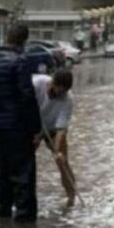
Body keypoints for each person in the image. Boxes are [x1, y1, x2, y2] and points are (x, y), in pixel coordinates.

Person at [0, 23, 42, 222]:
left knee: (1, 170)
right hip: (17, 128)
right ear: (24, 40)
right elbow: (27, 98)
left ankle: (1, 212)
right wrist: (36, 129)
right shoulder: (21, 61)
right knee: (23, 172)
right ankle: (24, 219)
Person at [33, 69, 77, 206]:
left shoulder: (68, 99)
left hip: (52, 128)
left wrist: (57, 150)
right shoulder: (36, 83)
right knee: (24, 161)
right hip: (32, 123)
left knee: (63, 162)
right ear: (52, 81)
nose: (58, 94)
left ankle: (71, 198)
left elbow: (61, 129)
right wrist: (37, 135)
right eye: (56, 89)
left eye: (62, 92)